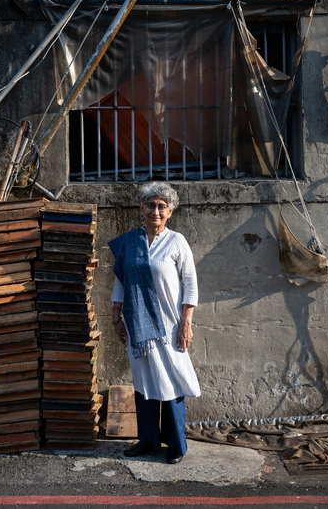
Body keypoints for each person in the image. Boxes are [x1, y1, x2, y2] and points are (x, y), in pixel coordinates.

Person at [108, 182, 200, 465]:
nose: (155, 211)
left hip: (169, 327)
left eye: (161, 206)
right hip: (138, 325)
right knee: (144, 381)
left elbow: (190, 284)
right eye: (150, 205)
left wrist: (186, 323)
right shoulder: (130, 242)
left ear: (170, 211)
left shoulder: (176, 242)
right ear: (141, 208)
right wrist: (116, 316)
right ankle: (148, 439)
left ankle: (175, 444)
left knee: (171, 381)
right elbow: (121, 280)